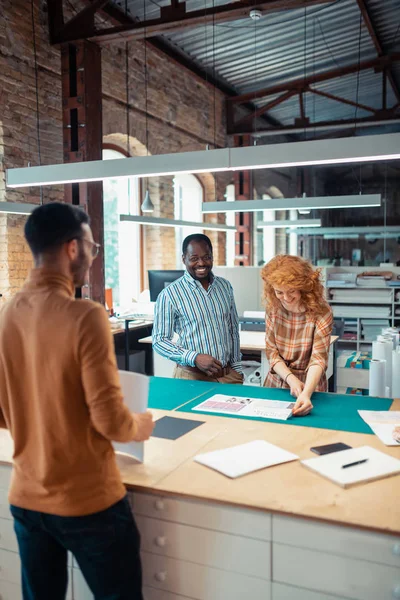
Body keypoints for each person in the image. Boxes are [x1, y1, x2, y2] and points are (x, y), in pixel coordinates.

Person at [0, 202, 154, 600]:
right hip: (88, 502)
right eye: (92, 246)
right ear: (73, 248)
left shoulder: (7, 314)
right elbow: (111, 423)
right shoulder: (85, 316)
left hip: (27, 500)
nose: (92, 255)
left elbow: (2, 413)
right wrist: (141, 423)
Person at [153, 233, 243, 383]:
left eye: (206, 257)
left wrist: (237, 369)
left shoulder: (225, 286)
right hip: (191, 377)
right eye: (194, 258)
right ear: (184, 259)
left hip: (228, 376)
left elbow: (232, 329)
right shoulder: (169, 294)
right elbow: (159, 340)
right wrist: (194, 358)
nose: (201, 263)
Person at [261, 255, 333, 416]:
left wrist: (306, 393)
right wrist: (291, 380)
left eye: (292, 291)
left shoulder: (321, 311)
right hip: (277, 383)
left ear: (304, 286)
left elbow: (318, 359)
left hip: (311, 387)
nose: (286, 298)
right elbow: (272, 354)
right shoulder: (273, 309)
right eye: (279, 292)